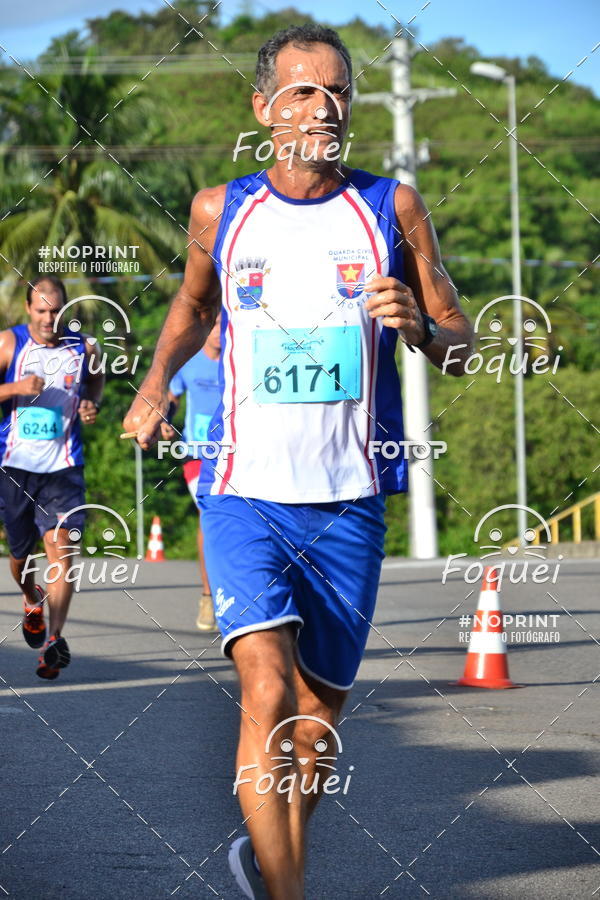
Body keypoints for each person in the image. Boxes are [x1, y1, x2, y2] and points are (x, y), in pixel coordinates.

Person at [123, 23, 473, 899]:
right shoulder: (221, 209)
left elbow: (466, 344)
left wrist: (424, 328)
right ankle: (288, 893)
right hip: (244, 491)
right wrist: (157, 380)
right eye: (302, 91)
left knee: (315, 725)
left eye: (338, 92)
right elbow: (193, 308)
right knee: (266, 687)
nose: (323, 107)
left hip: (348, 501)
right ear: (263, 107)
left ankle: (268, 851)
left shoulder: (394, 208)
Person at [0, 275, 104, 679]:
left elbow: (96, 382)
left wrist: (91, 405)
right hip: (15, 467)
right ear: (28, 309)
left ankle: (53, 641)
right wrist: (15, 388)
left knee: (62, 549)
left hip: (63, 467)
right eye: (41, 310)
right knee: (20, 556)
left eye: (56, 310)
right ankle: (31, 598)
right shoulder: (10, 344)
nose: (49, 318)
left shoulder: (85, 348)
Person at [160, 314, 222, 631]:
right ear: (206, 328)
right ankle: (208, 597)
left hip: (235, 453)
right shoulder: (191, 361)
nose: (220, 332)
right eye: (214, 326)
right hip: (197, 454)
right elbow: (171, 398)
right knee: (209, 515)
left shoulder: (237, 359)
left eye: (225, 325)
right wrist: (166, 420)